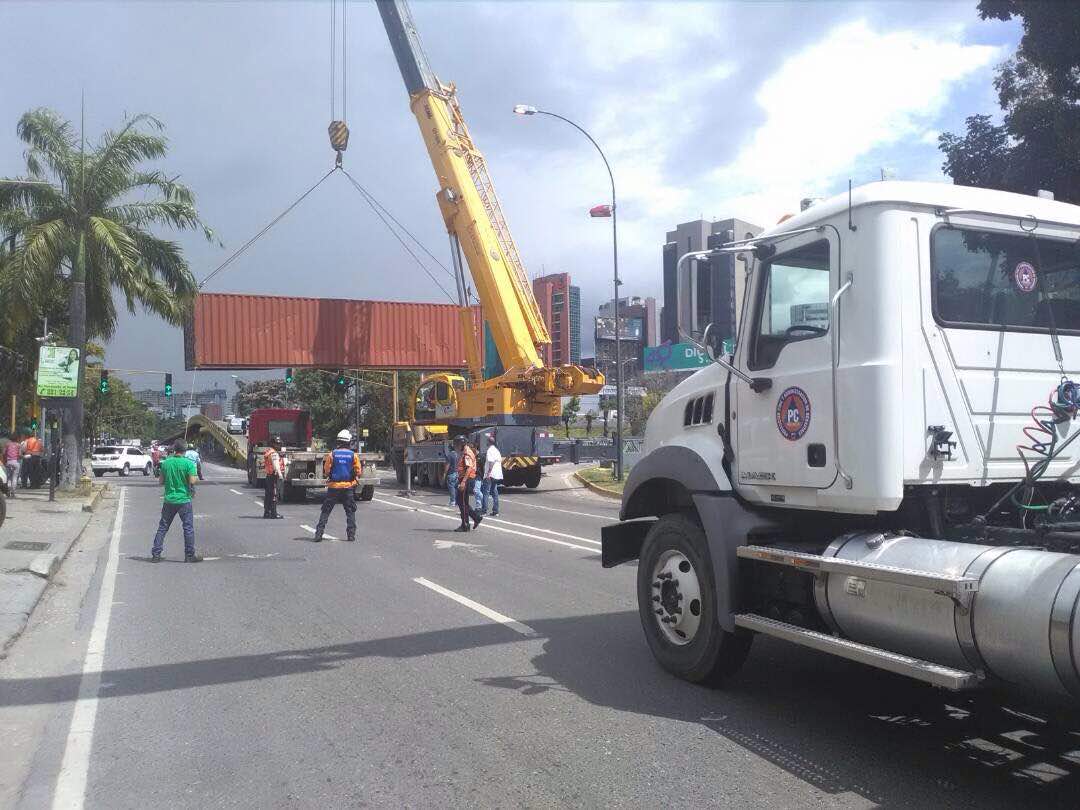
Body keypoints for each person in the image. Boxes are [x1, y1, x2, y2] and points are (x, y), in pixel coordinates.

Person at [151, 440, 201, 562]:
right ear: (185, 450)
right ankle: (189, 555)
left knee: (163, 527)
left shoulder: (166, 463)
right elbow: (192, 481)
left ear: (174, 450)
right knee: (188, 528)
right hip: (184, 500)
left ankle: (156, 554)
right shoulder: (189, 464)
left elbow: (161, 481)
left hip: (169, 500)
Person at [313, 429, 362, 542]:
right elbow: (358, 471)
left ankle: (319, 534)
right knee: (350, 511)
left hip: (333, 487)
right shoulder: (353, 455)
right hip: (348, 487)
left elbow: (326, 471)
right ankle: (351, 535)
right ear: (349, 441)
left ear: (338, 441)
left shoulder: (332, 454)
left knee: (326, 511)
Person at [454, 435, 482, 532]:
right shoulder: (465, 452)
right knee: (462, 502)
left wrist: (463, 482)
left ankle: (465, 524)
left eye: (457, 444)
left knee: (462, 502)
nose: (456, 447)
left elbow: (469, 468)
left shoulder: (467, 453)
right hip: (464, 479)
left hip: (467, 479)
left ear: (462, 444)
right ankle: (475, 517)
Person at [480, 434, 503, 516]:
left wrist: (488, 473)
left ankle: (484, 510)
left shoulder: (490, 450)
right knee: (494, 492)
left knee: (486, 492)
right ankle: (495, 511)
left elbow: (491, 462)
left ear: (489, 442)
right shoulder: (497, 451)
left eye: (487, 441)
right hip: (497, 475)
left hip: (491, 474)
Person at [263, 436, 285, 519]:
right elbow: (276, 466)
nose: (278, 445)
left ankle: (267, 513)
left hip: (269, 476)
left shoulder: (269, 451)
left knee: (268, 495)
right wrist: (280, 475)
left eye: (279, 444)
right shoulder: (274, 453)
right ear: (273, 444)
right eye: (277, 444)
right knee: (273, 495)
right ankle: (274, 513)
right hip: (273, 476)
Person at [474, 438, 489, 512]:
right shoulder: (474, 457)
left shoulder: (481, 456)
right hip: (475, 475)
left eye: (472, 448)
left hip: (480, 476)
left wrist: (484, 476)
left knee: (476, 490)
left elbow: (484, 467)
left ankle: (484, 501)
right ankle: (478, 506)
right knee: (476, 491)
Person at [4, 433, 20, 499]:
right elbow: (19, 454)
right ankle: (13, 493)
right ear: (17, 438)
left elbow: (4, 453)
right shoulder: (18, 445)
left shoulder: (7, 445)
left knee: (8, 478)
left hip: (8, 462)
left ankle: (7, 493)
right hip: (15, 463)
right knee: (14, 478)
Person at [444, 443, 459, 507]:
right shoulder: (457, 454)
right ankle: (455, 501)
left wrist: (445, 473)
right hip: (457, 473)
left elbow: (447, 465)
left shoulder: (449, 455)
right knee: (455, 488)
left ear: (449, 448)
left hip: (451, 473)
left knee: (451, 488)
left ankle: (452, 501)